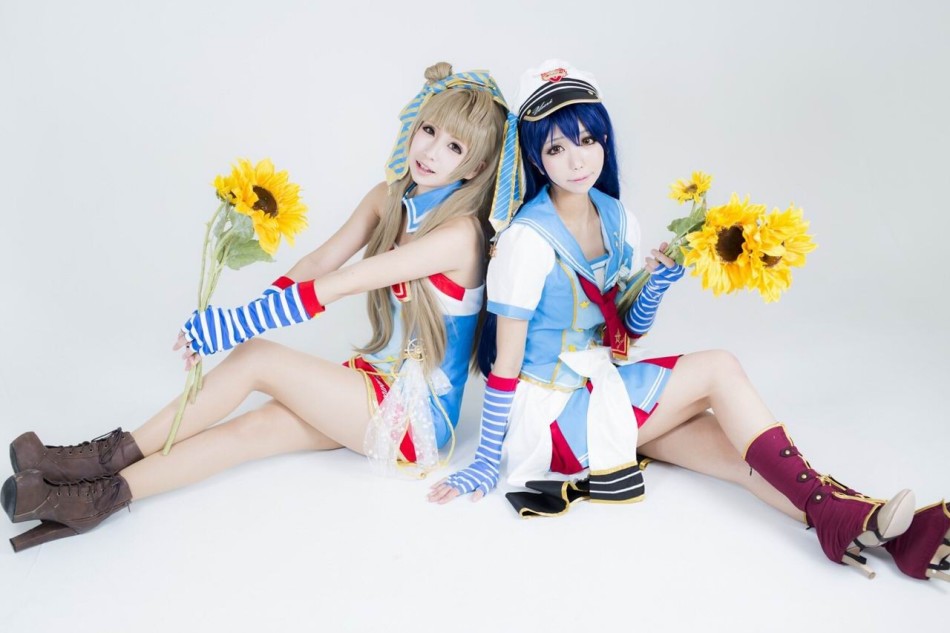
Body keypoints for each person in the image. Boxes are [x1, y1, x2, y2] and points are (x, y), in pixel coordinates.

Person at [429, 60, 949, 582]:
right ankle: (846, 519)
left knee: (740, 457)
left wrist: (655, 285)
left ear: (605, 139)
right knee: (719, 368)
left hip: (600, 392)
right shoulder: (525, 239)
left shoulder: (617, 218)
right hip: (549, 418)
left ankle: (889, 535)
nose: (576, 159)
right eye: (556, 149)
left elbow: (625, 330)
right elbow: (506, 364)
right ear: (535, 158)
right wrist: (486, 460)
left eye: (586, 140)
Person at [2, 62, 523, 553]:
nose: (430, 151)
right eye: (428, 130)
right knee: (251, 430)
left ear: (475, 166)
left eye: (454, 146)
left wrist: (232, 327)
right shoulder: (388, 199)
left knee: (256, 358)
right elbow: (317, 264)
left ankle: (94, 460)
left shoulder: (461, 235)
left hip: (418, 421)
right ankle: (86, 501)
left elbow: (339, 284)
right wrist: (238, 316)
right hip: (374, 383)